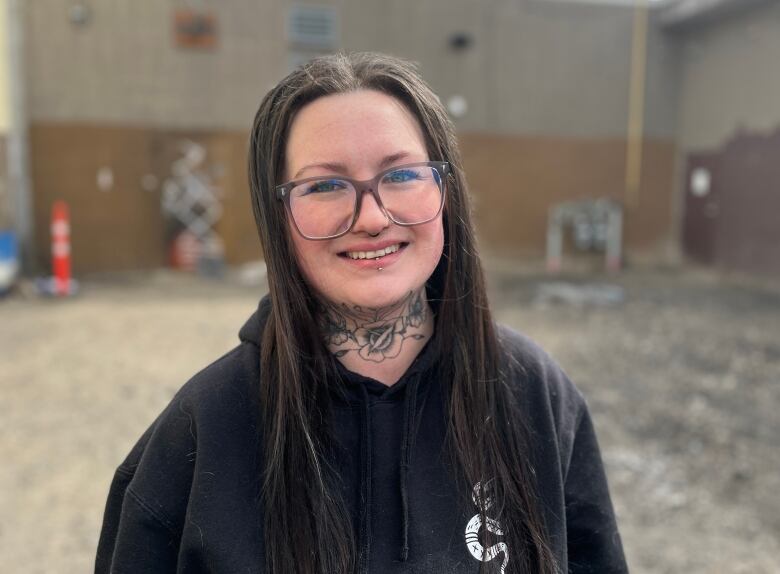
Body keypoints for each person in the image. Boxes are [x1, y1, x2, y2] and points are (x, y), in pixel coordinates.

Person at [95, 52, 627, 574]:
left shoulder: (534, 395)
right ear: (277, 216)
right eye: (324, 185)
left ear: (447, 193)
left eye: (402, 175)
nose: (372, 217)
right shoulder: (200, 432)